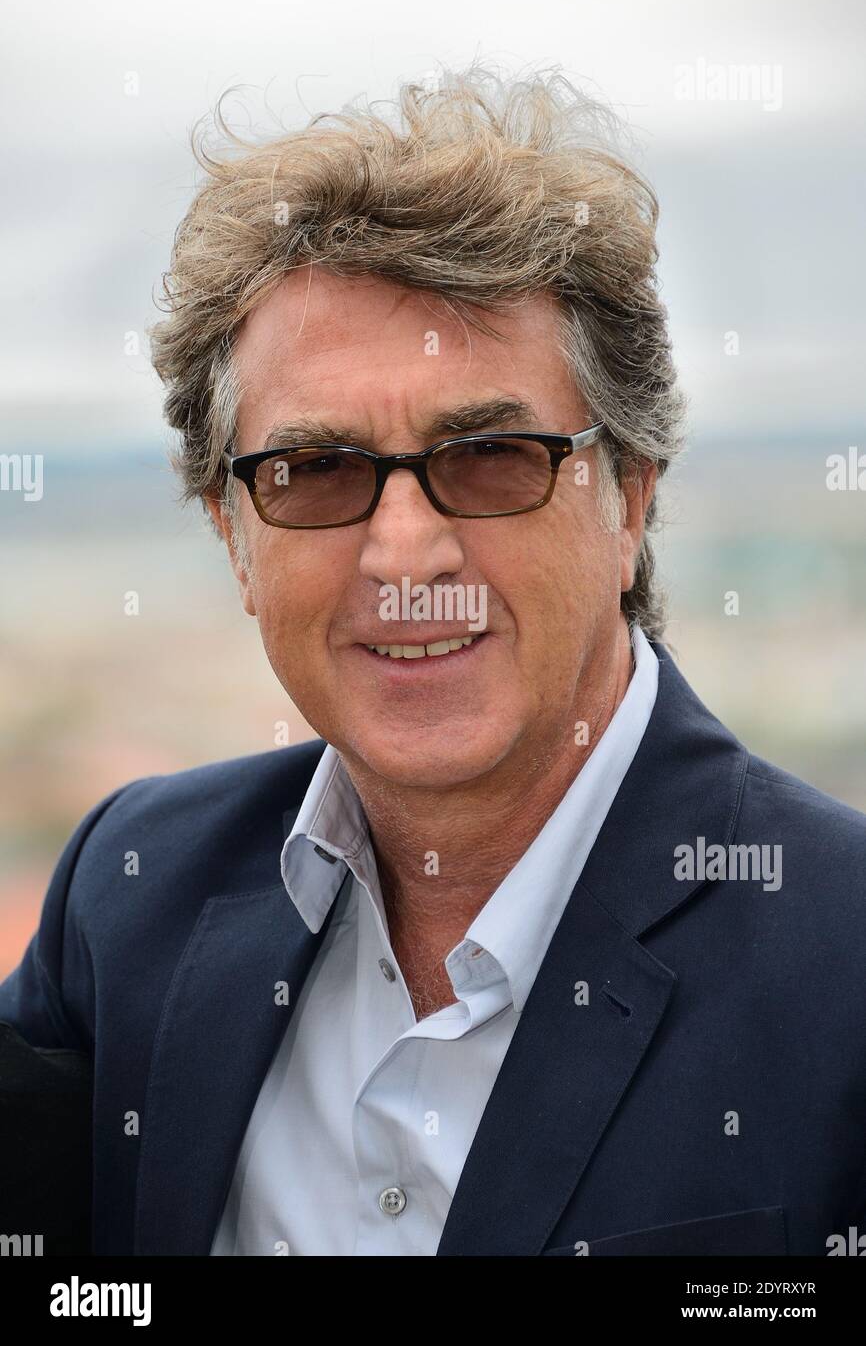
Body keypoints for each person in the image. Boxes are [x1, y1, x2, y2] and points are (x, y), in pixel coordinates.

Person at [2, 64, 865, 1258]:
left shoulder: (841, 955)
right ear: (231, 534)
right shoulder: (128, 898)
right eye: (317, 471)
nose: (402, 550)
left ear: (628, 500)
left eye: (493, 455)